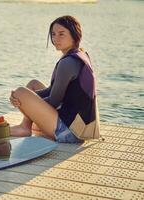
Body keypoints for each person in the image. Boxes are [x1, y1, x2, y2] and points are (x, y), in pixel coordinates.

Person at [9, 15, 100, 143]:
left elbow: (54, 101)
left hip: (70, 133)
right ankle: (25, 126)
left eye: (61, 34)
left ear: (75, 35)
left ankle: (25, 127)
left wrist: (24, 101)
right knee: (33, 85)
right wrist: (28, 98)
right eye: (53, 34)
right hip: (80, 129)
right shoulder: (81, 54)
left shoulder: (67, 63)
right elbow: (52, 90)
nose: (55, 39)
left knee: (20, 92)